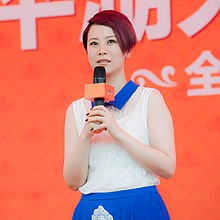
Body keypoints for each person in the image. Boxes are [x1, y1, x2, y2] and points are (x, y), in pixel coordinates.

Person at [63, 10, 176, 220]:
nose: (102, 50)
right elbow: (72, 182)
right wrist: (85, 136)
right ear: (86, 52)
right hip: (94, 210)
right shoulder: (77, 110)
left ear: (127, 49)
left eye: (111, 42)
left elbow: (167, 168)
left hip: (141, 208)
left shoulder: (149, 99)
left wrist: (117, 132)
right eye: (94, 43)